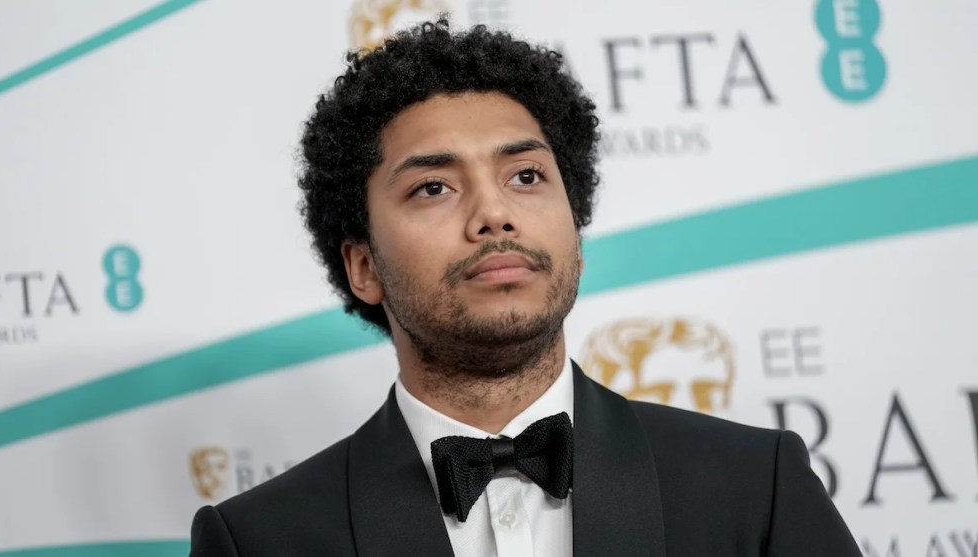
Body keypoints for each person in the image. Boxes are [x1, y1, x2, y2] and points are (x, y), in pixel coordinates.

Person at [189, 20, 860, 556]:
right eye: (434, 187)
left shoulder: (755, 485)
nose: (494, 213)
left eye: (526, 176)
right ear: (362, 265)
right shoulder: (259, 540)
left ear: (575, 223)